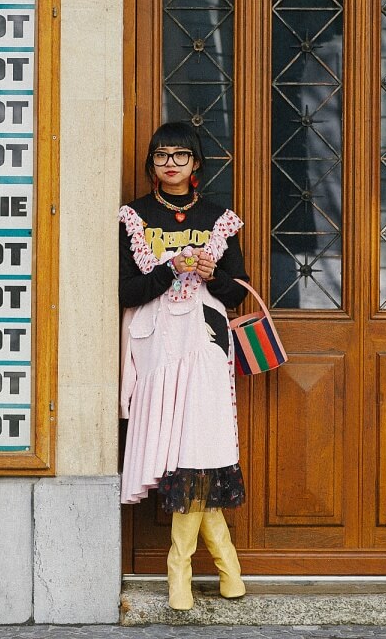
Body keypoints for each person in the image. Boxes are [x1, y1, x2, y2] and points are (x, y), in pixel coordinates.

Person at [118, 121, 248, 610]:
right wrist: (168, 269)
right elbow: (126, 292)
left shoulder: (219, 218)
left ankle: (181, 574)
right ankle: (226, 570)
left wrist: (218, 275)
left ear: (196, 164)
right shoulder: (134, 216)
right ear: (152, 164)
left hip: (207, 344)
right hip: (156, 348)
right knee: (178, 452)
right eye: (160, 155)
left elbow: (238, 292)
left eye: (180, 154)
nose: (170, 162)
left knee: (199, 447)